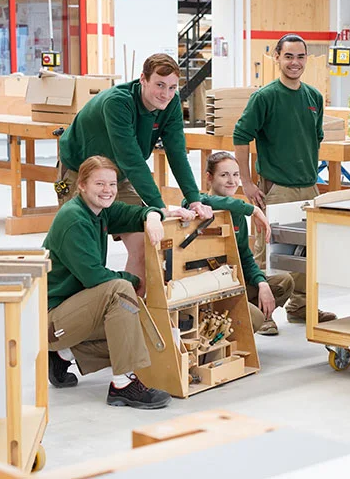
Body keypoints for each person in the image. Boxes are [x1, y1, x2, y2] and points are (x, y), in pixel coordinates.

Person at [56, 53, 212, 295]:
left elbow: (177, 154)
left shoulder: (170, 105)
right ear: (143, 79)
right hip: (81, 172)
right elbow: (132, 161)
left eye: (172, 87)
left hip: (118, 174)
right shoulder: (118, 103)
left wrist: (195, 199)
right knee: (84, 254)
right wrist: (159, 208)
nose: (166, 94)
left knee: (143, 245)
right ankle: (82, 316)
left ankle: (131, 313)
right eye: (160, 85)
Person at [44, 156, 173, 408]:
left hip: (74, 312)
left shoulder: (101, 211)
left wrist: (154, 216)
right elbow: (94, 277)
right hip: (50, 319)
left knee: (142, 327)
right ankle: (122, 385)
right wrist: (132, 279)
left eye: (112, 184)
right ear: (81, 185)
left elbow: (137, 213)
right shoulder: (74, 219)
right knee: (120, 290)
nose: (108, 190)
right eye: (100, 184)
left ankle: (63, 354)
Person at [233, 34, 336, 324]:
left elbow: (315, 138)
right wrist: (247, 182)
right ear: (276, 57)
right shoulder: (265, 97)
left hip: (308, 185)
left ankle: (301, 306)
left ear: (307, 59)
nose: (294, 62)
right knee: (268, 252)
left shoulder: (314, 97)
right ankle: (261, 314)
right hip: (276, 187)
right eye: (288, 56)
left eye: (300, 56)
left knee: (306, 249)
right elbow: (241, 137)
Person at [186, 152, 294, 336]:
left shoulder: (236, 213)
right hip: (206, 287)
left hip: (233, 281)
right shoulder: (197, 205)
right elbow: (202, 200)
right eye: (224, 175)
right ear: (209, 178)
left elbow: (244, 255)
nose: (232, 181)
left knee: (283, 282)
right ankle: (230, 327)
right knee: (254, 319)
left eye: (236, 175)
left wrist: (262, 284)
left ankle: (245, 314)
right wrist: (250, 208)